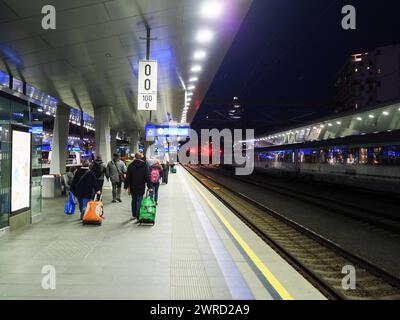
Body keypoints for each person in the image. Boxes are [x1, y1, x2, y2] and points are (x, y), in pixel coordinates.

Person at [124, 153, 153, 222]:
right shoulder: (144, 165)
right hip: (141, 186)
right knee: (139, 200)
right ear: (141, 158)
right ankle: (138, 215)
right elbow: (147, 177)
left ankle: (134, 214)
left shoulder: (131, 165)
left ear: (135, 158)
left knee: (133, 200)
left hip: (133, 186)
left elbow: (128, 177)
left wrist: (125, 186)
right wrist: (149, 187)